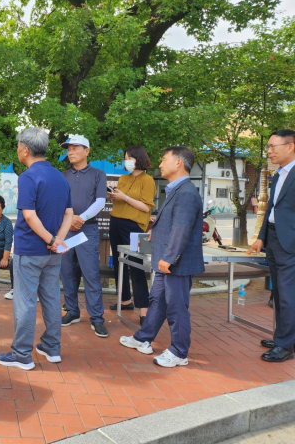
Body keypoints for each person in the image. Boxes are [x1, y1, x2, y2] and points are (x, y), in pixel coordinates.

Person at [0, 128, 73, 370]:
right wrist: (58, 240)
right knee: (51, 298)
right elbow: (69, 213)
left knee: (25, 302)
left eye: (18, 146)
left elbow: (29, 215)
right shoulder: (60, 176)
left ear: (25, 149)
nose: (17, 150)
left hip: (30, 249)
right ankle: (52, 348)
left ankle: (21, 355)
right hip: (52, 253)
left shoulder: (28, 176)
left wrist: (51, 239)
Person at [120, 147, 204, 367]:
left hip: (175, 262)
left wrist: (169, 258)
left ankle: (179, 352)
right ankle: (143, 338)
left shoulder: (186, 193)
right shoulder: (176, 190)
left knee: (176, 306)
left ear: (178, 163)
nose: (160, 164)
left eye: (164, 159)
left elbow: (181, 229)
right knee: (157, 301)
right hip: (166, 260)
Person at [248, 129, 295, 363]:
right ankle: (283, 338)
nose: (269, 151)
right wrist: (261, 236)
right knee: (278, 293)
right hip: (274, 240)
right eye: (267, 147)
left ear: (290, 146)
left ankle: (285, 346)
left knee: (287, 295)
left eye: (272, 146)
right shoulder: (278, 174)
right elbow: (270, 210)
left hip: (290, 244)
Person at [59, 135, 108, 338]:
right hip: (65, 230)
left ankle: (96, 318)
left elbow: (100, 201)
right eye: (68, 149)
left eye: (75, 148)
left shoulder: (98, 174)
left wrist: (81, 218)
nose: (70, 152)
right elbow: (58, 201)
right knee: (67, 271)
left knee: (90, 274)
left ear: (87, 151)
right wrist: (69, 219)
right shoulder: (63, 175)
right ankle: (72, 311)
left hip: (87, 229)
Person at [108, 146, 156, 325]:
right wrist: (114, 197)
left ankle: (144, 310)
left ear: (139, 159)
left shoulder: (148, 180)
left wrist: (125, 198)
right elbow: (122, 199)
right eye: (125, 157)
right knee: (119, 264)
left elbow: (146, 207)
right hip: (116, 221)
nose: (126, 161)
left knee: (136, 266)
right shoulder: (123, 178)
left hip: (134, 225)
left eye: (130, 158)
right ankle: (125, 300)